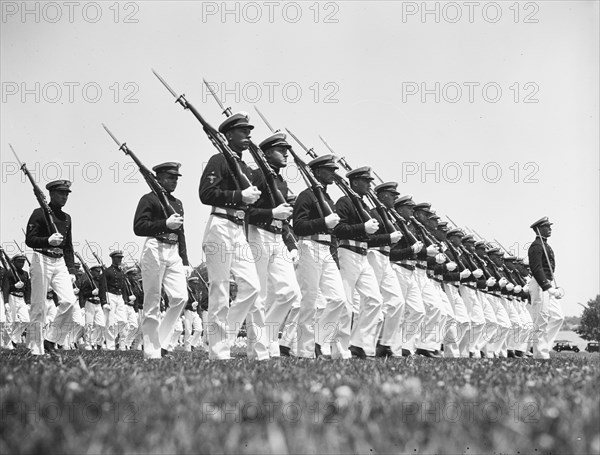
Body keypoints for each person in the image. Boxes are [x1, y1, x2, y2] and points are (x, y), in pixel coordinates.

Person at [199, 112, 264, 360]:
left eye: (249, 131)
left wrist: (248, 200)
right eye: (243, 131)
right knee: (220, 290)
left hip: (237, 229)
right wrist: (239, 197)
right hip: (220, 225)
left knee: (252, 287)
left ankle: (222, 339)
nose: (248, 135)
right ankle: (218, 352)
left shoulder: (244, 167)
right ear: (228, 135)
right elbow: (206, 193)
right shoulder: (219, 159)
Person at [246, 132, 301, 358]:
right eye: (281, 150)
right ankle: (258, 347)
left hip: (278, 237)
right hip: (258, 233)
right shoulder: (257, 176)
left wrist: (291, 243)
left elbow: (284, 218)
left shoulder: (281, 182)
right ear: (267, 153)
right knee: (258, 295)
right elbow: (246, 211)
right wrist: (271, 213)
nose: (286, 153)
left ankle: (266, 338)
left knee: (290, 292)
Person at [134, 162, 191, 359]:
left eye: (176, 178)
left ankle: (163, 342)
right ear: (158, 179)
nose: (174, 181)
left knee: (180, 297)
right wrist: (164, 224)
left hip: (173, 250)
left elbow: (181, 232)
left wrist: (185, 261)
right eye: (170, 177)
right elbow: (139, 227)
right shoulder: (149, 199)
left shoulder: (177, 203)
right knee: (152, 301)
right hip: (155, 248)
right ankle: (151, 351)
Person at [292, 154, 347, 359]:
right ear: (316, 172)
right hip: (310, 245)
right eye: (329, 170)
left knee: (338, 299)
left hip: (325, 250)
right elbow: (298, 226)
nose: (333, 173)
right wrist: (324, 222)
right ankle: (305, 350)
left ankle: (317, 340)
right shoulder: (306, 196)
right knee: (310, 300)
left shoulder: (328, 199)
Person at [25, 180, 78, 355]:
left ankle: (51, 339)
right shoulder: (39, 213)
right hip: (42, 258)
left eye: (67, 194)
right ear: (51, 194)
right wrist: (47, 241)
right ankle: (35, 346)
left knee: (69, 302)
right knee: (38, 306)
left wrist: (71, 270)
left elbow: (68, 247)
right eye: (61, 193)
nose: (65, 197)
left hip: (60, 261)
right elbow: (30, 240)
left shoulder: (66, 218)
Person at [527, 217, 564, 359]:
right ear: (538, 229)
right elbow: (536, 269)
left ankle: (537, 346)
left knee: (558, 317)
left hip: (547, 284)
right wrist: (547, 286)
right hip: (540, 284)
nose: (550, 228)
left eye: (549, 226)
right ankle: (540, 354)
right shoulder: (536, 246)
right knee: (541, 319)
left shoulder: (545, 245)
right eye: (546, 226)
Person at [2, 254, 31, 346]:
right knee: (10, 321)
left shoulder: (25, 274)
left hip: (21, 299)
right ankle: (7, 344)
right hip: (12, 297)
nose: (21, 263)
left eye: (23, 262)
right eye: (19, 261)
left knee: (26, 320)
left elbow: (27, 289)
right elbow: (5, 287)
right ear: (13, 262)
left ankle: (14, 339)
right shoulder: (9, 273)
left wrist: (28, 302)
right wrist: (6, 302)